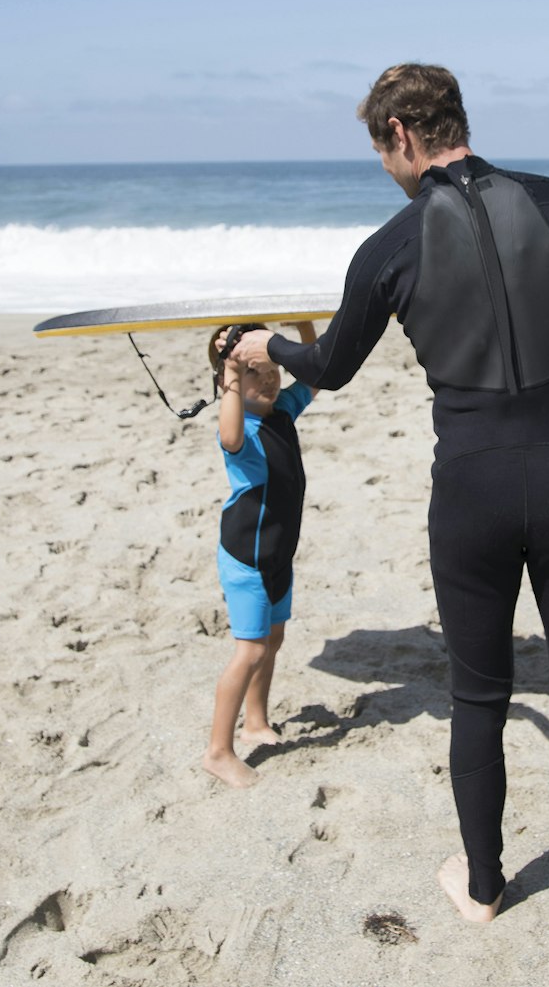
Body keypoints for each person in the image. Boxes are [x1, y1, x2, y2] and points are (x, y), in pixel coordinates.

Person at [227, 63, 549, 969]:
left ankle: (485, 885)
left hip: (471, 490)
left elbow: (334, 364)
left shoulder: (389, 247)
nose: (383, 166)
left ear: (402, 138)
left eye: (379, 150)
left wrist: (264, 344)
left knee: (480, 695)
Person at [201, 320, 318, 790]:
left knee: (272, 641)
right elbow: (229, 437)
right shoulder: (241, 428)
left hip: (278, 556)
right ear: (231, 382)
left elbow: (317, 372)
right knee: (249, 650)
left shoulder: (283, 411)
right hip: (246, 559)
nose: (269, 379)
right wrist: (230, 370)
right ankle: (218, 752)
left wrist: (303, 326)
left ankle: (255, 722)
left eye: (272, 369)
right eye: (255, 373)